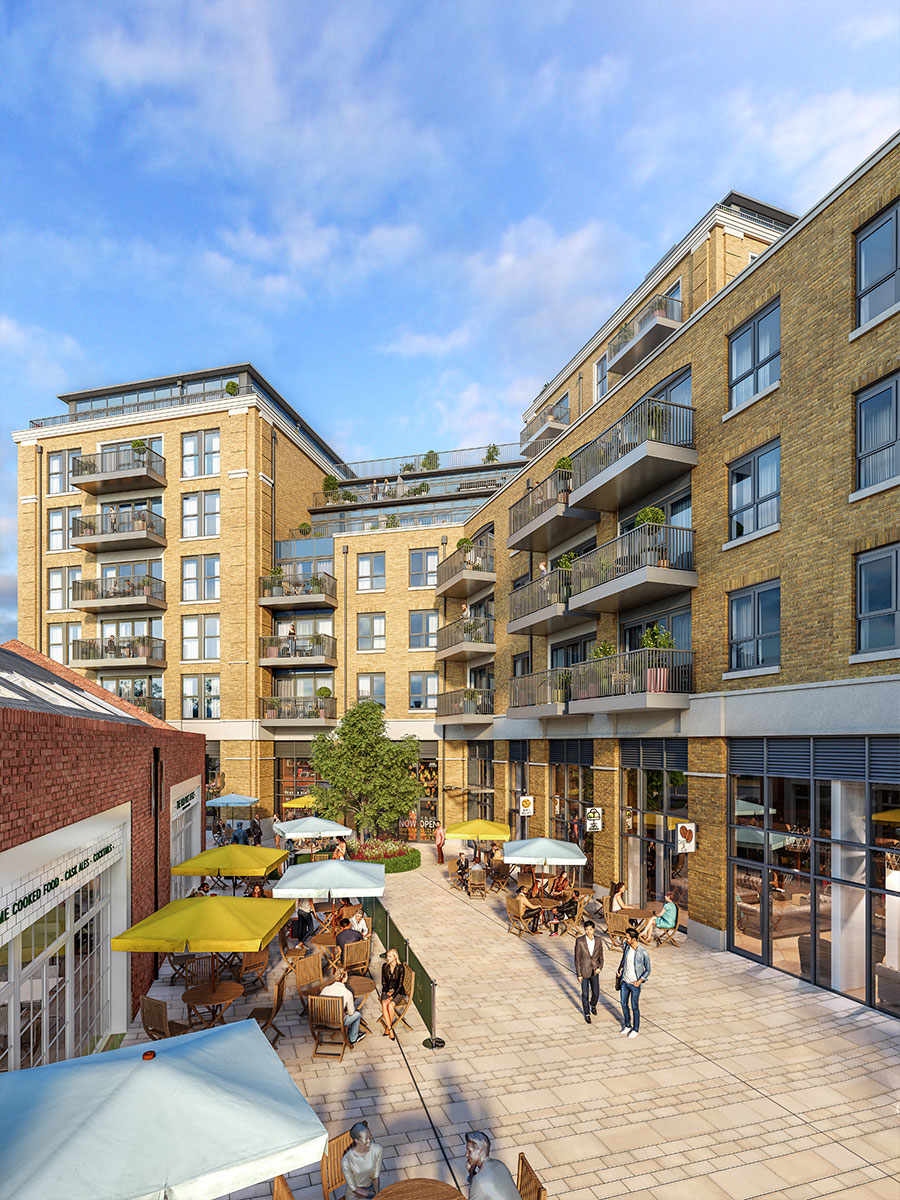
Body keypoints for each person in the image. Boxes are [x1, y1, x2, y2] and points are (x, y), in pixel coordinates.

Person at [465, 1131, 518, 1199]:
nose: (466, 1155)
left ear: (479, 1151)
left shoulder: (478, 1181)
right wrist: (471, 1173)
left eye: (469, 1151)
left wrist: (471, 1176)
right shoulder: (499, 1164)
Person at [618, 928, 651, 1038]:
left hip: (634, 984)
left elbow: (648, 970)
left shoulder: (643, 952)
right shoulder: (627, 947)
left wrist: (640, 981)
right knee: (623, 1004)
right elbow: (623, 960)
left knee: (634, 1006)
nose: (625, 939)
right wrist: (620, 970)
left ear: (634, 939)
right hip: (624, 981)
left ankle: (635, 1029)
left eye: (627, 938)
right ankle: (627, 1025)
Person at [321, 968, 365, 1045]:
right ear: (345, 978)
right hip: (337, 1023)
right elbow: (351, 1013)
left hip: (323, 1020)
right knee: (357, 1014)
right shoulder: (347, 993)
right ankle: (353, 1038)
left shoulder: (325, 989)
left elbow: (319, 1005)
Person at [341, 1120, 383, 1199]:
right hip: (355, 1195)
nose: (369, 1141)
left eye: (370, 1137)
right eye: (366, 1139)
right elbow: (353, 1188)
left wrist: (377, 1194)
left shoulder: (377, 1149)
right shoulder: (346, 1160)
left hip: (371, 1189)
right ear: (357, 1140)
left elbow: (376, 1176)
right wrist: (372, 1195)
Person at [574, 918, 604, 1023]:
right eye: (586, 929)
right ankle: (587, 1013)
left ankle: (593, 1004)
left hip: (595, 971)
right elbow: (577, 958)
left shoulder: (599, 940)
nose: (588, 932)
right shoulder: (580, 941)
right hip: (584, 971)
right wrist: (578, 974)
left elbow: (601, 956)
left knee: (596, 993)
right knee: (585, 994)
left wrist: (600, 967)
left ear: (594, 930)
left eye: (590, 929)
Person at [380, 947, 406, 1040]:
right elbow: (383, 983)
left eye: (390, 956)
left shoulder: (400, 968)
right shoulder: (384, 966)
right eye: (387, 956)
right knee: (384, 1003)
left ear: (395, 957)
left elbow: (400, 985)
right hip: (387, 990)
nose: (388, 958)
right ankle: (390, 1029)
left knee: (390, 1005)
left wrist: (392, 996)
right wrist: (387, 992)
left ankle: (388, 1028)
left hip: (398, 992)